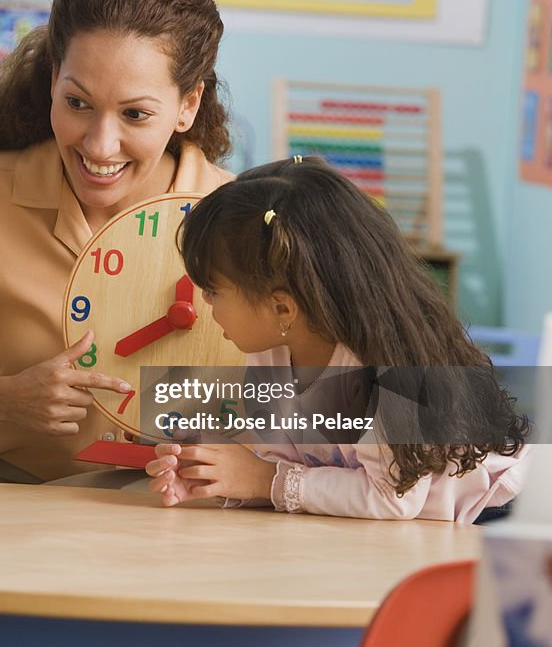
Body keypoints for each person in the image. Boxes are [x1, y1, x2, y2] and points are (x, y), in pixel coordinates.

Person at [0, 0, 235, 484]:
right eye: (78, 102)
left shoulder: (240, 220)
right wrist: (1, 399)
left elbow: (330, 408)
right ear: (52, 82)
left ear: (188, 105)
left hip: (181, 511)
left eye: (135, 114)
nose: (99, 144)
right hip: (3, 503)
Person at [145, 156, 530, 522]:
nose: (204, 301)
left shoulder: (381, 366)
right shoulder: (271, 352)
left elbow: (393, 498)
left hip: (489, 513)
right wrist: (219, 468)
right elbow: (291, 471)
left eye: (213, 290)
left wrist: (265, 480)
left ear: (282, 308)